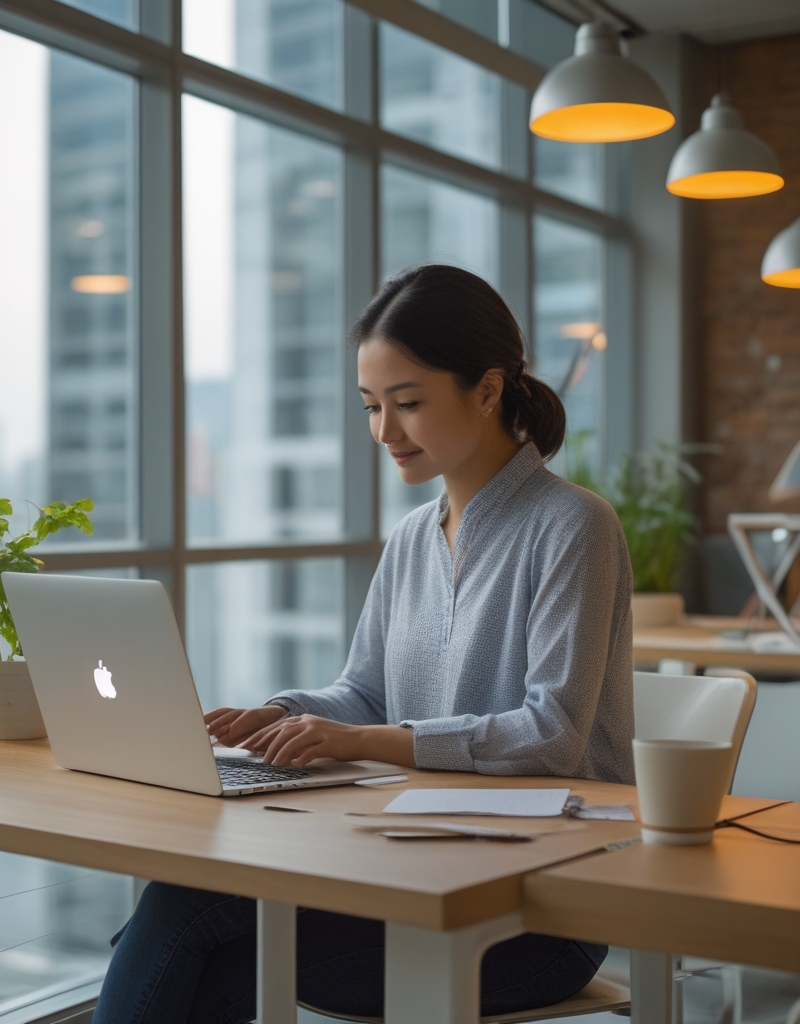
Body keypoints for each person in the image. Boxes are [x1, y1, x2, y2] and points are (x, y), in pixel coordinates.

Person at [91, 264, 635, 1024]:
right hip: (414, 862)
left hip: (542, 910)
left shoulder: (573, 526)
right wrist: (281, 714)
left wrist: (364, 737)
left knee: (191, 930)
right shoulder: (413, 537)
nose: (384, 432)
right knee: (186, 916)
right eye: (372, 406)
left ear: (487, 390)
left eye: (408, 403)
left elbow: (551, 734)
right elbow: (366, 693)